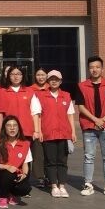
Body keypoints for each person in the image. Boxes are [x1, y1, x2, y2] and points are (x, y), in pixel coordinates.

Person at [75, 56, 105, 198]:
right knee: (89, 157)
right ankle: (88, 184)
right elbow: (81, 107)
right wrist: (96, 120)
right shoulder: (82, 86)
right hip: (89, 126)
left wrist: (104, 120)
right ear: (88, 69)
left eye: (97, 67)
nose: (94, 70)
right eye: (91, 67)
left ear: (102, 68)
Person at [32, 70, 76, 198]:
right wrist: (39, 131)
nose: (54, 81)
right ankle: (54, 186)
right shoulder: (40, 96)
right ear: (48, 81)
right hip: (48, 134)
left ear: (60, 81)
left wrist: (73, 132)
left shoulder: (66, 96)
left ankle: (62, 186)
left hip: (64, 134)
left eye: (56, 79)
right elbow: (37, 115)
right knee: (50, 161)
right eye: (51, 79)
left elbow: (70, 115)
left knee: (62, 161)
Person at [0, 65, 39, 189]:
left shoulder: (30, 91)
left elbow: (35, 112)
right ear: (8, 76)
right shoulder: (3, 91)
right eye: (13, 74)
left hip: (26, 131)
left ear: (23, 76)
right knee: (9, 158)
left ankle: (23, 183)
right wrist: (0, 128)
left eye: (19, 74)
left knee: (25, 159)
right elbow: (0, 112)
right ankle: (9, 185)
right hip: (9, 131)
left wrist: (36, 130)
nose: (16, 77)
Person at [0, 116, 32, 208]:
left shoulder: (25, 144)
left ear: (18, 128)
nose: (12, 128)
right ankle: (2, 196)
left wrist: (24, 174)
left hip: (16, 174)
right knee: (8, 174)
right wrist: (6, 167)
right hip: (0, 174)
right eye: (9, 125)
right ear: (4, 128)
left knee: (25, 188)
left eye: (15, 125)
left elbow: (25, 163)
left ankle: (11, 194)